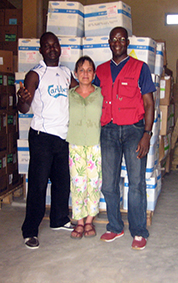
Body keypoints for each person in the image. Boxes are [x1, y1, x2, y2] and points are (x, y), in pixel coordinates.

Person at [93, 27, 156, 250]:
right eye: (113, 39)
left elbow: (149, 104)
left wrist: (147, 134)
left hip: (133, 131)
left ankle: (138, 231)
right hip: (108, 131)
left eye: (121, 39)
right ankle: (115, 227)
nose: (117, 42)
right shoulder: (99, 71)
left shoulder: (140, 68)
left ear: (127, 42)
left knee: (136, 183)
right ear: (109, 43)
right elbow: (89, 98)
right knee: (109, 184)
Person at [17, 32, 78, 249]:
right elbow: (24, 107)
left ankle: (59, 219)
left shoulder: (66, 73)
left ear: (60, 48)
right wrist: (21, 100)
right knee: (38, 184)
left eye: (55, 45)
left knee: (63, 183)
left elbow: (79, 93)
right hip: (42, 137)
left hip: (63, 136)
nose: (52, 49)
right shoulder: (35, 74)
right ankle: (30, 230)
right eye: (47, 46)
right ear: (41, 50)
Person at [67, 56, 103, 239]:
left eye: (89, 70)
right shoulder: (70, 95)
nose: (85, 74)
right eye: (81, 70)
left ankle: (89, 220)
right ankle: (79, 222)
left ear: (94, 74)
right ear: (75, 73)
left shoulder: (100, 94)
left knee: (94, 183)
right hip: (75, 143)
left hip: (95, 144)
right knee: (78, 183)